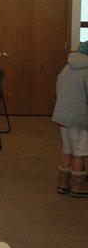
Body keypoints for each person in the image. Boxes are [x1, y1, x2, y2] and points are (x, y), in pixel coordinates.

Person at [52, 41, 88, 197]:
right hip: (78, 117)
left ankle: (63, 184)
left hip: (62, 116)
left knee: (67, 149)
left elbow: (57, 89)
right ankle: (78, 187)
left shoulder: (66, 68)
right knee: (80, 150)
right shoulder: (87, 71)